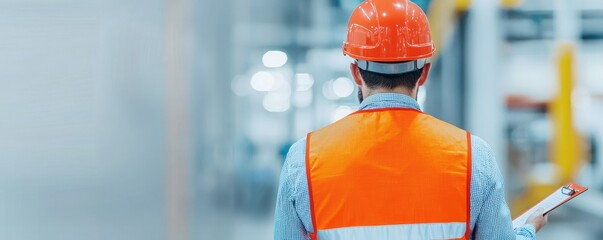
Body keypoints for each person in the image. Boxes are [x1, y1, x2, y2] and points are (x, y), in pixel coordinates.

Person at [274, 0, 547, 239]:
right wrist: (525, 231)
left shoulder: (304, 160)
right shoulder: (474, 157)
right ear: (424, 72)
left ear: (356, 73)